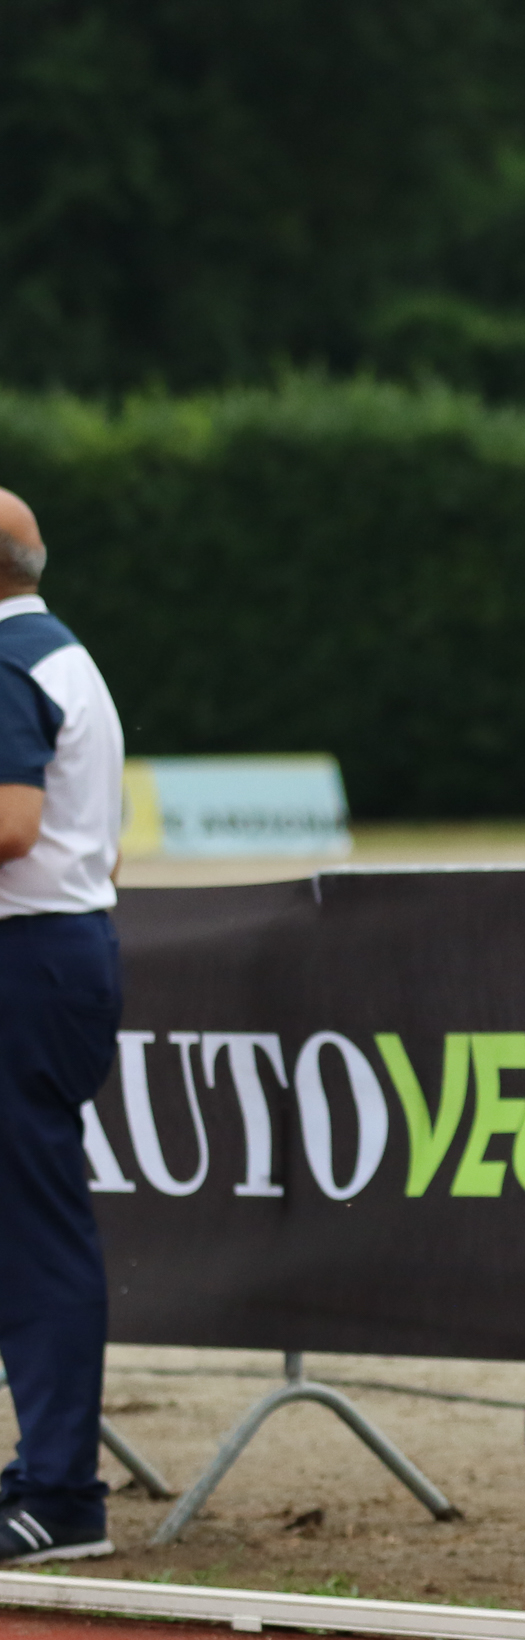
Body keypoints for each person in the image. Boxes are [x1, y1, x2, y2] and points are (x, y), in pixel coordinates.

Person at [0, 487, 126, 1564]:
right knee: (29, 1224)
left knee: (34, 1229)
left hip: (27, 960)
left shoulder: (9, 661)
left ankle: (60, 1491)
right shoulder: (62, 653)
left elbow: (12, 825)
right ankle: (46, 1475)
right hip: (59, 951)